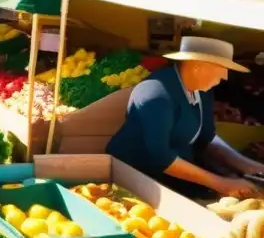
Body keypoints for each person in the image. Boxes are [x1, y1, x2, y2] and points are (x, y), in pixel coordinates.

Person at [106, 36, 264, 199]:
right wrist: (221, 183)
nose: (224, 77)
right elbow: (161, 156)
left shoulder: (202, 90)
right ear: (198, 66)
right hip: (134, 174)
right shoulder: (156, 93)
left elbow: (207, 137)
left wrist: (250, 167)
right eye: (222, 68)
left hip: (178, 172)